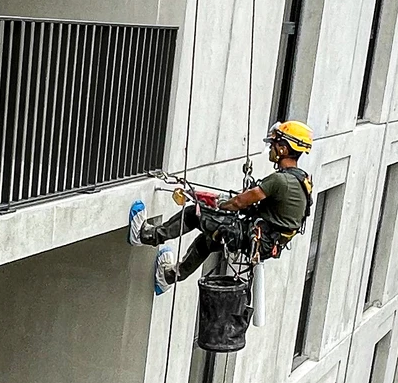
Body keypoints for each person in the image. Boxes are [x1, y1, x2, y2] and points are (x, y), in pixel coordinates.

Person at [135, 121, 315, 293]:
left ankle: (147, 235)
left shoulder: (280, 180)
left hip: (255, 238)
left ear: (283, 149)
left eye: (274, 144)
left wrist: (220, 204)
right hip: (267, 242)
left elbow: (238, 202)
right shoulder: (301, 179)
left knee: (194, 214)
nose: (271, 148)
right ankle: (169, 276)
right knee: (207, 241)